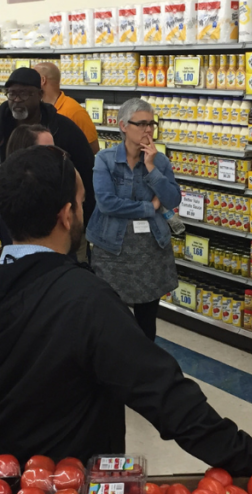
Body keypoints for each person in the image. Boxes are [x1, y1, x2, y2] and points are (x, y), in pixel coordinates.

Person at [0, 146, 252, 474]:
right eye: (79, 202)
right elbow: (164, 394)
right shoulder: (86, 300)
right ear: (66, 216)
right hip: (71, 479)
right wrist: (249, 458)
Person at [0, 67, 96, 251]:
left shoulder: (63, 129)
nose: (16, 101)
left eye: (24, 94)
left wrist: (82, 225)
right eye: (12, 94)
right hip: (9, 228)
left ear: (39, 95)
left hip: (56, 228)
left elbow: (87, 175)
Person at [87, 99, 180, 341]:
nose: (148, 130)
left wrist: (151, 168)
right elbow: (106, 203)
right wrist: (149, 207)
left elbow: (171, 199)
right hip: (112, 251)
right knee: (111, 318)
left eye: (151, 124)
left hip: (151, 250)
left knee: (147, 322)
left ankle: (144, 370)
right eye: (141, 124)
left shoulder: (159, 161)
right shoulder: (105, 159)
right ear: (123, 126)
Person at [35, 62, 100, 154]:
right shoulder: (37, 110)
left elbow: (93, 149)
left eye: (33, 78)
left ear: (42, 80)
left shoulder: (75, 111)